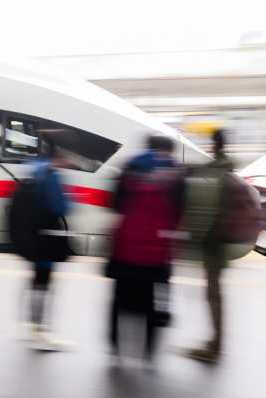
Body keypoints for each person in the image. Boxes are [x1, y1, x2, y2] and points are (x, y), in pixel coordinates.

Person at [106, 135, 184, 363]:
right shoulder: (176, 174)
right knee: (152, 300)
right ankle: (148, 352)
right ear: (168, 150)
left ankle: (115, 348)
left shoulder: (129, 167)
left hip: (126, 246)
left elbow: (115, 205)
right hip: (158, 250)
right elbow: (180, 212)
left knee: (119, 298)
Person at [183, 129, 234, 363]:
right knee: (214, 293)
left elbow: (211, 201)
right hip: (219, 240)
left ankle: (216, 346)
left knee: (214, 294)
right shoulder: (225, 168)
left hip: (214, 241)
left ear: (214, 144)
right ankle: (215, 342)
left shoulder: (220, 169)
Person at [19, 141, 73, 349]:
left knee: (36, 280)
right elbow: (61, 207)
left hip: (32, 234)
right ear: (57, 157)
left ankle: (31, 326)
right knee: (44, 282)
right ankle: (39, 331)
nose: (67, 162)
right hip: (47, 236)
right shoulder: (51, 175)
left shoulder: (32, 171)